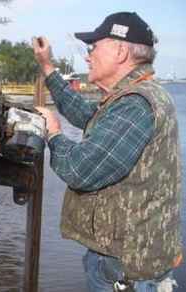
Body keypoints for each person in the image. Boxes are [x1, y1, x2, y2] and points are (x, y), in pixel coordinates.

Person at [33, 12, 183, 292]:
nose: (88, 56)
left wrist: (53, 132)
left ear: (121, 51)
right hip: (124, 264)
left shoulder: (136, 104)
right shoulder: (131, 97)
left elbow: (79, 170)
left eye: (94, 47)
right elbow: (86, 114)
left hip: (126, 273)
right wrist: (48, 67)